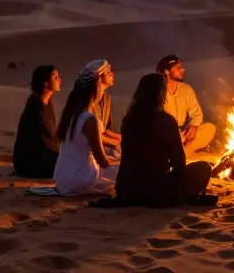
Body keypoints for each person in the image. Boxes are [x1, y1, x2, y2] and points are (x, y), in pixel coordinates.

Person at [112, 73, 216, 207]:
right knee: (204, 167)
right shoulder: (166, 121)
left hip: (127, 192)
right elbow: (179, 163)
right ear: (161, 94)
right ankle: (190, 198)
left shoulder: (128, 120)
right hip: (156, 194)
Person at [52, 64, 118, 195]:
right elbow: (101, 160)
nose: (112, 73)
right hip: (81, 179)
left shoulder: (72, 114)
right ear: (98, 80)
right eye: (107, 71)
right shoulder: (89, 119)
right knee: (130, 171)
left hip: (62, 179)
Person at [156, 55, 216, 154]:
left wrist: (193, 126)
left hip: (183, 137)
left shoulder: (187, 89)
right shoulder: (156, 92)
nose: (182, 70)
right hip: (165, 137)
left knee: (209, 128)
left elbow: (196, 114)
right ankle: (178, 153)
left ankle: (183, 152)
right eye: (178, 68)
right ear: (167, 71)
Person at [13, 65, 61, 178]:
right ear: (46, 84)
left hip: (40, 158)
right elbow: (47, 141)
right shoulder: (37, 108)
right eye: (56, 77)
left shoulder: (45, 102)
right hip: (31, 165)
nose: (60, 80)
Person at [84, 59, 123, 157]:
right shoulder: (85, 100)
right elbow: (92, 133)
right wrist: (114, 142)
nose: (113, 74)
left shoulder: (106, 98)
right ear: (99, 76)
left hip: (101, 146)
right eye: (109, 72)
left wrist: (121, 137)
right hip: (88, 150)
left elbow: (105, 129)